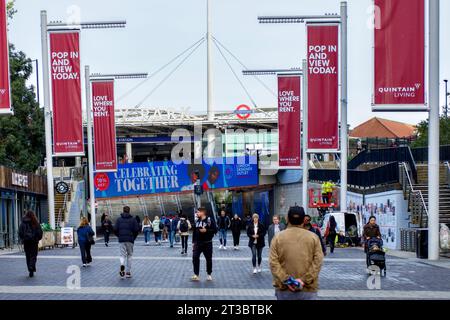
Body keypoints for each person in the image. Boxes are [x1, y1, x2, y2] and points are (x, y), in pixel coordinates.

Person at [269, 206, 324, 300]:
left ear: (287, 219)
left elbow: (273, 263)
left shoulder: (278, 238)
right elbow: (317, 262)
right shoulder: (313, 238)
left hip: (284, 289)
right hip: (307, 289)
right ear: (304, 220)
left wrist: (287, 280)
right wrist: (303, 280)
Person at [191, 207, 217, 282]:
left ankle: (209, 274)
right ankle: (196, 274)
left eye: (198, 212)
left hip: (207, 243)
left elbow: (215, 230)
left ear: (203, 212)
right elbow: (194, 232)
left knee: (208, 259)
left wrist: (206, 230)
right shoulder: (197, 221)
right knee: (195, 257)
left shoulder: (209, 220)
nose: (197, 213)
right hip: (198, 243)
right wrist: (193, 242)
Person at [114, 206, 139, 279]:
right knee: (129, 255)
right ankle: (128, 272)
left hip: (121, 239)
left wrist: (119, 236)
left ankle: (122, 265)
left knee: (122, 255)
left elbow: (115, 229)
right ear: (129, 211)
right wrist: (133, 237)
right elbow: (136, 230)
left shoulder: (119, 220)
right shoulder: (133, 220)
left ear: (123, 211)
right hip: (130, 240)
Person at [18, 210, 43, 277]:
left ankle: (30, 267)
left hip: (26, 242)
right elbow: (40, 232)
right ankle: (32, 267)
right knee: (33, 255)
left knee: (28, 255)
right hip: (34, 242)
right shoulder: (35, 222)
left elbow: (20, 232)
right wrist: (38, 238)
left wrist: (23, 238)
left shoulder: (23, 223)